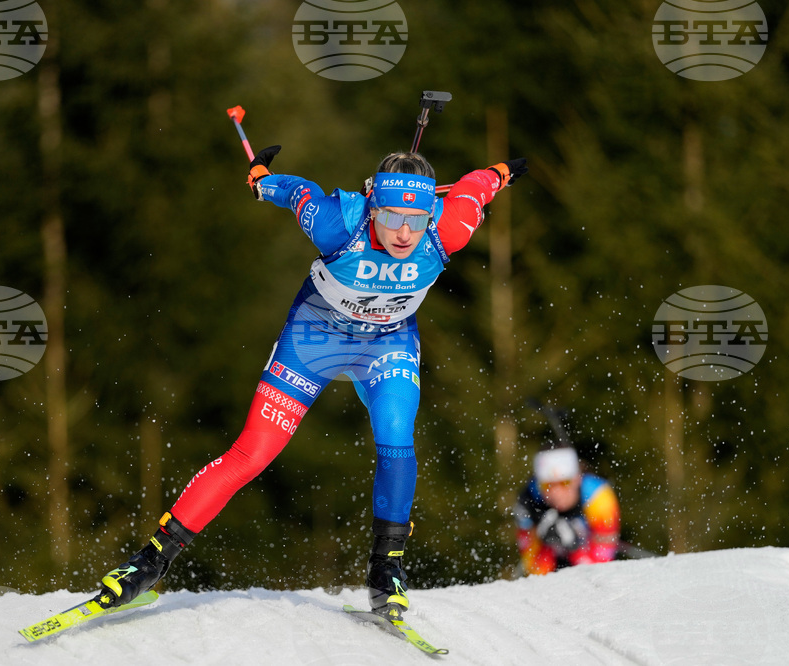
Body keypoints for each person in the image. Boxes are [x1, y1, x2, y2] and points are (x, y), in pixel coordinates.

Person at [93, 143, 528, 616]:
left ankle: (387, 570)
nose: (405, 234)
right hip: (314, 337)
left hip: (388, 342)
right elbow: (298, 190)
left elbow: (473, 188)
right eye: (391, 219)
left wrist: (500, 171)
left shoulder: (448, 228)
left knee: (397, 434)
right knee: (252, 454)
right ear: (372, 207)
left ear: (432, 215)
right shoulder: (338, 222)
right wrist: (261, 180)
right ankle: (150, 563)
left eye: (418, 221)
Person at [514, 446, 621, 575]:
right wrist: (544, 543)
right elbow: (533, 570)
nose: (556, 493)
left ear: (577, 479)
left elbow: (602, 568)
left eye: (564, 483)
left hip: (586, 560)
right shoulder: (528, 501)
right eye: (547, 485)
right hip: (553, 568)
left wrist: (574, 547)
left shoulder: (598, 497)